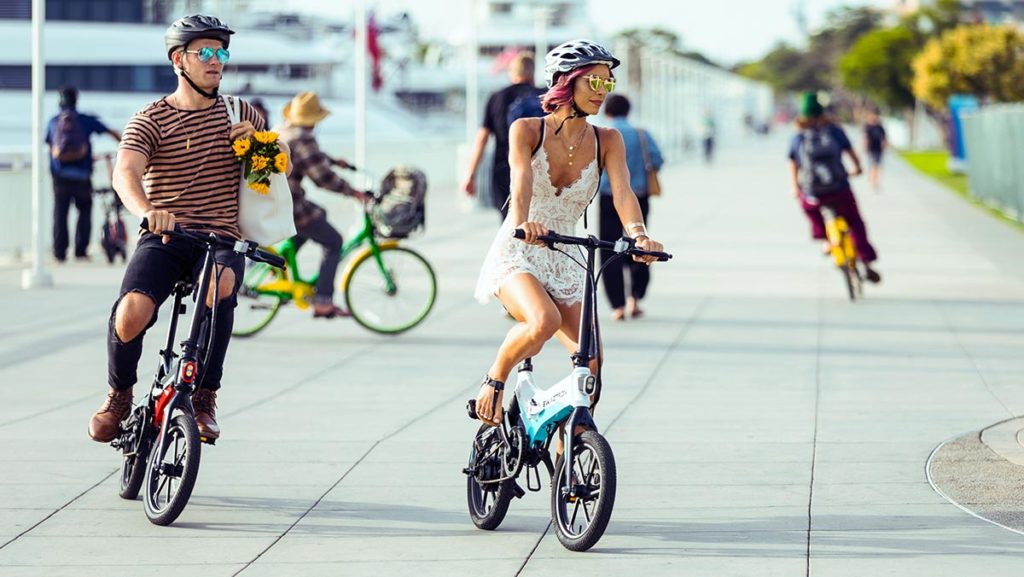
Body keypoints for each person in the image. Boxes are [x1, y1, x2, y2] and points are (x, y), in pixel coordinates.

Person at [88, 14, 283, 443]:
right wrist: (146, 210)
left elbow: (280, 163)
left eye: (222, 53)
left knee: (222, 285)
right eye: (207, 53)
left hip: (222, 238)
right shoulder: (151, 118)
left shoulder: (241, 111)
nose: (217, 62)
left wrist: (262, 143)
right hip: (166, 234)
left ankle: (204, 397)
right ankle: (119, 395)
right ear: (179, 59)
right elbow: (125, 171)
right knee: (132, 311)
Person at [472, 40, 664, 431]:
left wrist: (640, 236)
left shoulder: (607, 139)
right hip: (521, 249)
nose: (601, 92)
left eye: (607, 85)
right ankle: (495, 377)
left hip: (567, 256)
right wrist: (524, 222)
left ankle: (569, 451)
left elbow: (624, 192)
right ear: (565, 81)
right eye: (593, 82)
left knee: (591, 363)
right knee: (543, 320)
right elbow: (521, 179)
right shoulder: (526, 129)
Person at [277, 91, 369, 319]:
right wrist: (353, 192)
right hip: (291, 204)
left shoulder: (284, 131)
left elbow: (311, 158)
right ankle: (324, 301)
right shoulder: (304, 138)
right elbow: (322, 178)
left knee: (320, 214)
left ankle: (278, 265)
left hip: (281, 201)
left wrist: (334, 160)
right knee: (334, 241)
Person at [789, 91, 881, 283]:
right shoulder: (834, 131)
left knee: (808, 208)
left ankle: (824, 239)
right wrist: (857, 168)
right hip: (839, 189)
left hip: (814, 193)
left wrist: (795, 186)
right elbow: (850, 152)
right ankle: (866, 260)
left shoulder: (799, 136)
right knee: (855, 220)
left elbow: (793, 162)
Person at [597, 93, 662, 320]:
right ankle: (635, 299)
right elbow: (657, 159)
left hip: (608, 197)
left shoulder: (602, 135)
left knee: (608, 249)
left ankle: (618, 306)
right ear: (628, 111)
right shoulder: (640, 134)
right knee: (641, 244)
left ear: (607, 112)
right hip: (639, 196)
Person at [462, 51, 544, 221]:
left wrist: (470, 175)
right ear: (532, 72)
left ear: (512, 72)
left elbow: (482, 139)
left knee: (510, 223)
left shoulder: (497, 97)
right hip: (541, 168)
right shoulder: (545, 96)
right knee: (540, 223)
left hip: (505, 169)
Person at [45, 85, 121, 262]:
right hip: (82, 176)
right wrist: (124, 148)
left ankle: (59, 253)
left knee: (60, 214)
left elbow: (50, 146)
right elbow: (111, 132)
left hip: (60, 177)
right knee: (84, 212)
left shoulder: (53, 122)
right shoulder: (85, 120)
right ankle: (80, 251)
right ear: (76, 100)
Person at [863, 110, 887, 191]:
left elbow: (884, 138)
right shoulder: (868, 127)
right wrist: (865, 147)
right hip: (871, 148)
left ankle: (875, 181)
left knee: (877, 166)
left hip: (879, 149)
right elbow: (865, 138)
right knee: (873, 165)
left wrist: (885, 146)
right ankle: (872, 181)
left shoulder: (880, 127)